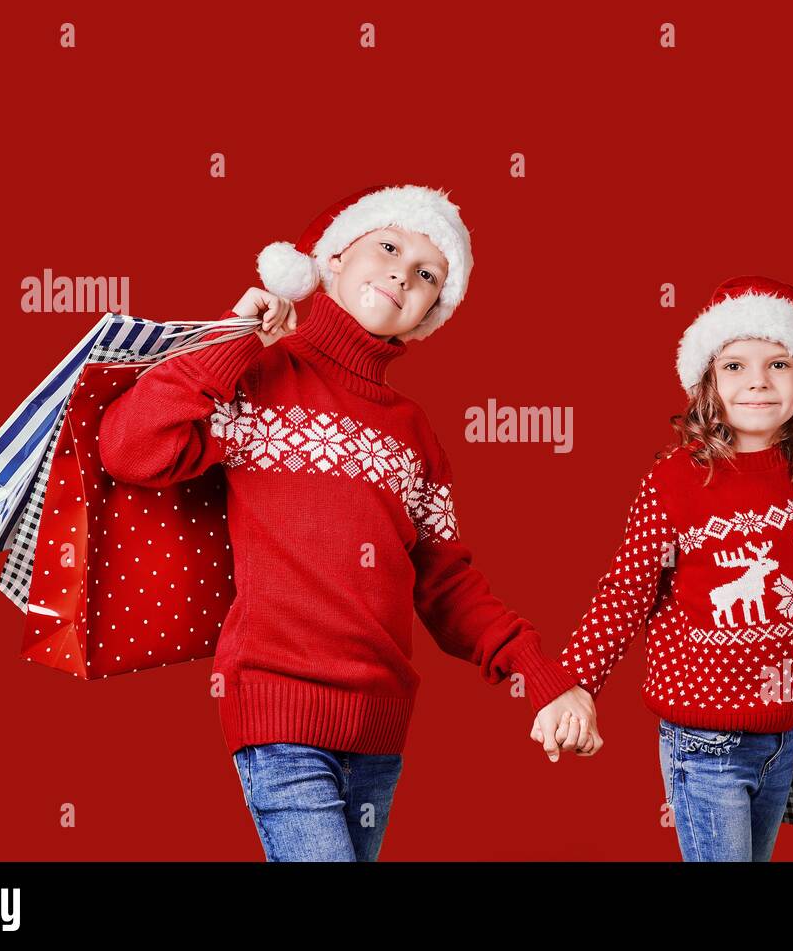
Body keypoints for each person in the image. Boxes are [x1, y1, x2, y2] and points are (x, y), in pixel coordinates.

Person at [99, 184, 591, 861]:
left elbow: (448, 587)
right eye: (388, 247)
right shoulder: (260, 376)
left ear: (429, 315)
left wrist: (544, 678)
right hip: (279, 712)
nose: (402, 273)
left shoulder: (412, 432)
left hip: (378, 733)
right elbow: (129, 448)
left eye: (427, 275)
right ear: (331, 260)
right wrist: (233, 338)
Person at [534, 275, 793, 861]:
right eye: (735, 365)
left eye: (779, 364)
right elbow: (626, 589)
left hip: (786, 731)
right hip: (707, 738)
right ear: (708, 382)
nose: (758, 380)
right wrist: (574, 683)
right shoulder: (676, 480)